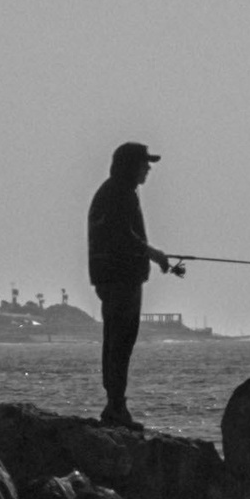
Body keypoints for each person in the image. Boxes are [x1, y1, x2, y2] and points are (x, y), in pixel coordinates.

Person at [87, 141, 177, 427]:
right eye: (144, 163)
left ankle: (115, 405)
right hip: (121, 279)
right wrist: (154, 254)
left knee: (116, 341)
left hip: (113, 277)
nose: (148, 169)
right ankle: (115, 408)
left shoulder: (114, 192)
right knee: (120, 342)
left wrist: (153, 257)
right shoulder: (120, 194)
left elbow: (122, 237)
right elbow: (123, 237)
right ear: (131, 166)